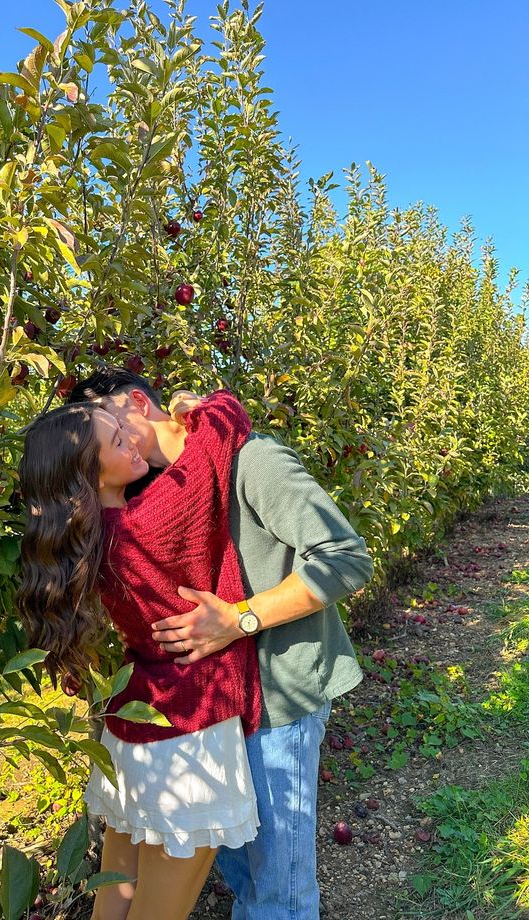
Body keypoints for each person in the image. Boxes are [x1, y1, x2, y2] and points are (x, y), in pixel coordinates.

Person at [68, 367, 374, 920]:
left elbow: (346, 560)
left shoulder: (250, 460)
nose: (106, 434)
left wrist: (240, 619)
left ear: (139, 403)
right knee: (245, 876)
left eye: (111, 420)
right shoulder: (159, 493)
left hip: (277, 697)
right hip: (215, 715)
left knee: (276, 888)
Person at [17, 390, 264, 920]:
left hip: (135, 729)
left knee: (117, 892)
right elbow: (224, 428)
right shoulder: (152, 521)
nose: (132, 434)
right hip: (188, 730)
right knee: (161, 909)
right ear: (88, 471)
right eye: (114, 437)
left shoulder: (89, 538)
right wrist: (197, 404)